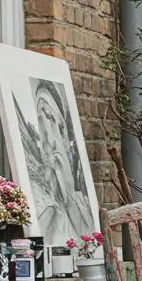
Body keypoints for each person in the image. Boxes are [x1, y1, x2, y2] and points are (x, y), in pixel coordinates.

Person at [25, 77, 94, 245]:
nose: (49, 138)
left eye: (53, 121)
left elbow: (90, 245)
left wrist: (68, 192)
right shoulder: (37, 194)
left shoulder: (82, 203)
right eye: (41, 121)